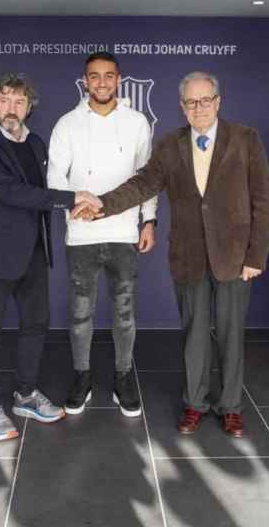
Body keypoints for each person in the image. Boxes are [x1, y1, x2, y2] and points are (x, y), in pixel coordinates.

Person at [74, 71, 269, 438]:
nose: (198, 108)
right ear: (182, 107)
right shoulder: (169, 145)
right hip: (189, 256)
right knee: (194, 335)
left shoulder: (245, 139)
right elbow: (143, 185)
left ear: (218, 102)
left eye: (205, 100)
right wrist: (102, 204)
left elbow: (265, 200)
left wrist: (256, 256)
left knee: (232, 336)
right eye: (190, 102)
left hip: (235, 257)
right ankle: (194, 404)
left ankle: (231, 407)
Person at [0, 72, 102, 441]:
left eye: (20, 101)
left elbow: (46, 188)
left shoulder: (36, 143)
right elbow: (13, 192)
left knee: (35, 325)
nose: (12, 108)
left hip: (34, 253)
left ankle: (25, 394)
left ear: (29, 107)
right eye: (5, 99)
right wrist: (73, 199)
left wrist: (77, 205)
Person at [47, 52, 158, 418]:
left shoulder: (137, 122)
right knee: (81, 314)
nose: (102, 82)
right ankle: (82, 377)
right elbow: (55, 180)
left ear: (119, 80)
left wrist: (149, 221)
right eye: (94, 76)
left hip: (124, 233)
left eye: (108, 76)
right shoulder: (67, 124)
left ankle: (123, 377)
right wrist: (75, 205)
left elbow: (148, 180)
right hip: (81, 235)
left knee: (124, 313)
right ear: (85, 81)